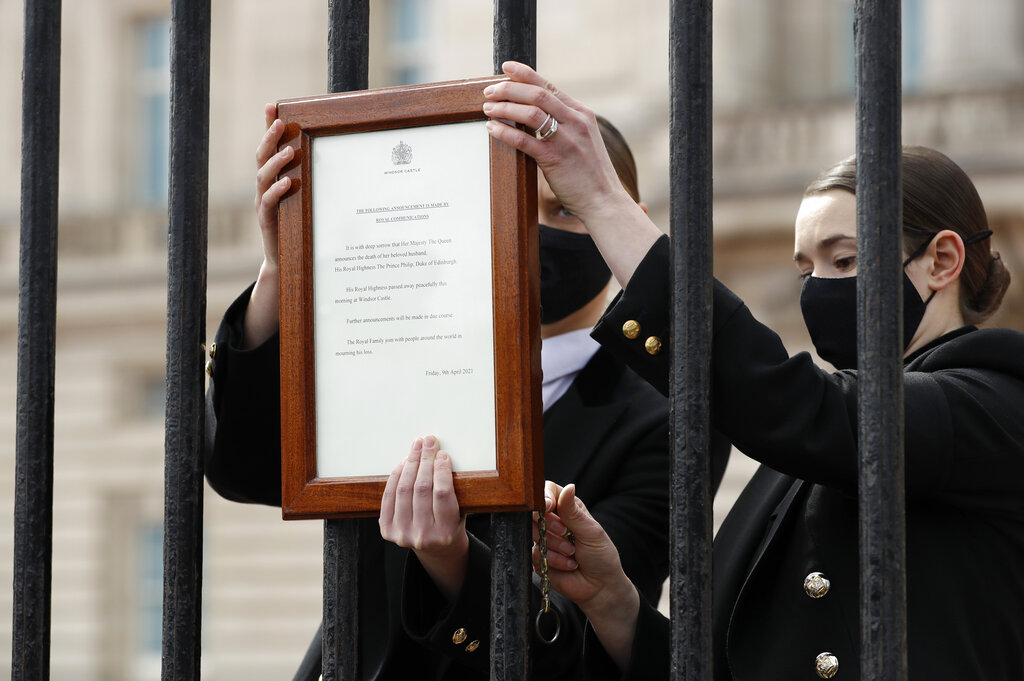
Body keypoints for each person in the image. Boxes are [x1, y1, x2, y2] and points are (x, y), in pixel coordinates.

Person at [481, 61, 1024, 680]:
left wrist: (602, 202)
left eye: (842, 260)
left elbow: (787, 402)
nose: (818, 287)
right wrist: (614, 603)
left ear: (941, 260)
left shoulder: (994, 400)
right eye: (804, 268)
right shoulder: (786, 471)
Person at [204, 104, 728, 680]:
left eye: (567, 208)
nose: (539, 230)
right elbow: (247, 469)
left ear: (624, 219)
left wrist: (450, 557)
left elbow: (589, 630)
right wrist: (283, 270)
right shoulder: (405, 348)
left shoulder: (668, 416)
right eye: (514, 202)